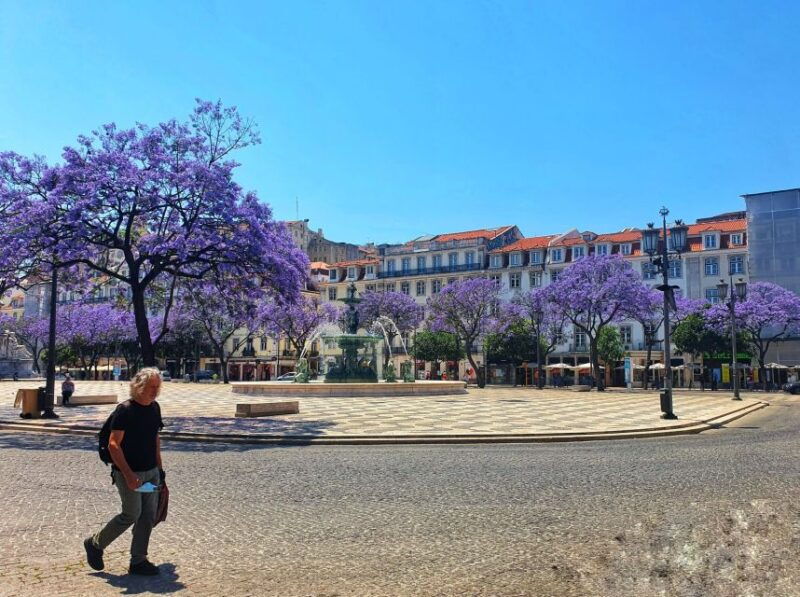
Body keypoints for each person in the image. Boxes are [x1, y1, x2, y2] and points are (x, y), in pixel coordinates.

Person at [84, 368, 165, 576]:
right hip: (129, 473)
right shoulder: (125, 410)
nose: (154, 391)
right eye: (150, 387)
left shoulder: (155, 408)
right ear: (138, 386)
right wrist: (129, 475)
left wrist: (160, 471)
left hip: (150, 472)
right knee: (131, 514)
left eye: (157, 387)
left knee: (147, 515)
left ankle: (138, 561)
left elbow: (155, 439)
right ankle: (95, 544)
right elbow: (113, 445)